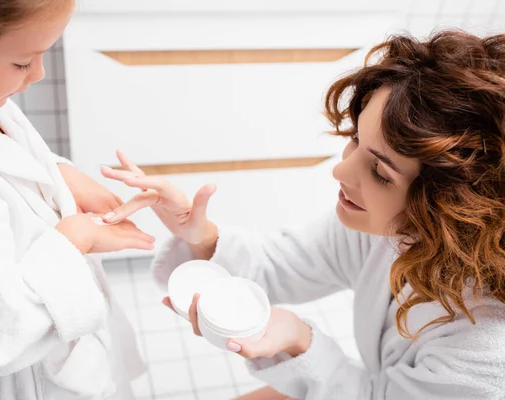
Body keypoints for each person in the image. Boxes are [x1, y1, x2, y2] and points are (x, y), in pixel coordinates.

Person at [101, 30, 505, 399]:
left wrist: (300, 342)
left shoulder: (488, 357)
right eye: (355, 141)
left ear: (458, 209)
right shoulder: (388, 229)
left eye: (380, 172)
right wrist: (200, 233)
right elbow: (283, 265)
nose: (340, 171)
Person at [0, 0, 154, 399]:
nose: (38, 74)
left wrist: (60, 173)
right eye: (23, 63)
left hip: (68, 360)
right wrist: (75, 241)